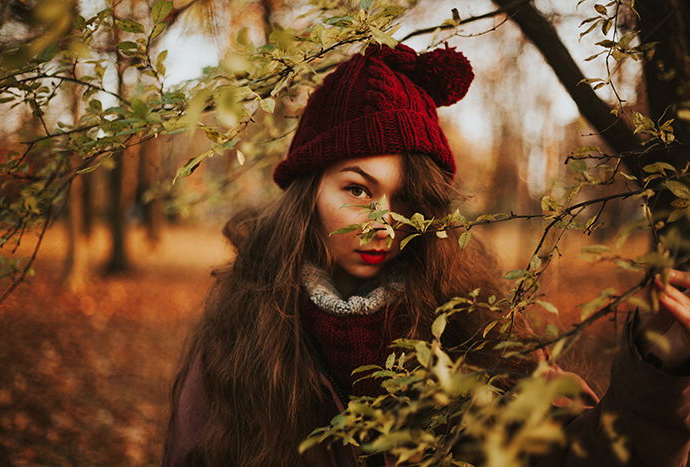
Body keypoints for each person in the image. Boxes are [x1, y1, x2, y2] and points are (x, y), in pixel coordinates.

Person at [162, 43, 690, 466]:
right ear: (309, 191)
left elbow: (586, 455)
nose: (383, 224)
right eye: (358, 189)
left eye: (406, 199)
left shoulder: (476, 324)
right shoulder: (242, 335)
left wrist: (658, 368)